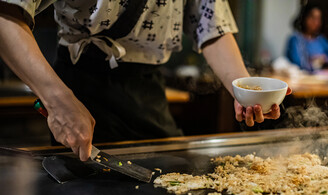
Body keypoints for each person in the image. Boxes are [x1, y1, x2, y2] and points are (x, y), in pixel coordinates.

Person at [0, 0, 290, 161]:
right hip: (81, 86)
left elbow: (211, 24)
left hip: (148, 89)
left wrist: (243, 88)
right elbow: (5, 13)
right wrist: (59, 102)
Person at [286, 4, 328, 72]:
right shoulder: (296, 39)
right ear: (304, 18)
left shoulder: (321, 40)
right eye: (312, 17)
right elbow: (298, 63)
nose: (316, 22)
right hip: (303, 78)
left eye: (319, 19)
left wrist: (324, 59)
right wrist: (312, 61)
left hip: (320, 78)